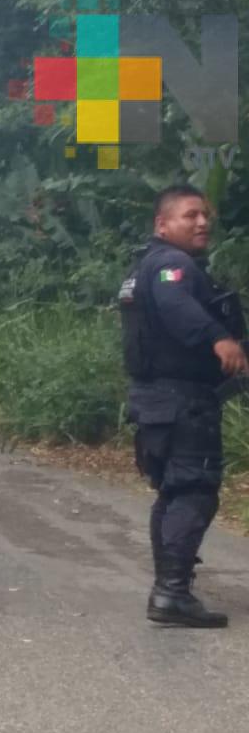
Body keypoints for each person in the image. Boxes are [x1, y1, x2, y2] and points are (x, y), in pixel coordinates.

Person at [120, 184, 248, 628]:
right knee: (194, 489)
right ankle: (171, 593)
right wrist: (218, 337)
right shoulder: (172, 265)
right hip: (180, 401)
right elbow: (176, 306)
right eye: (190, 215)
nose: (202, 222)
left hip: (157, 400)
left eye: (204, 215)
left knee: (174, 491)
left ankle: (170, 589)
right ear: (163, 224)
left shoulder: (144, 268)